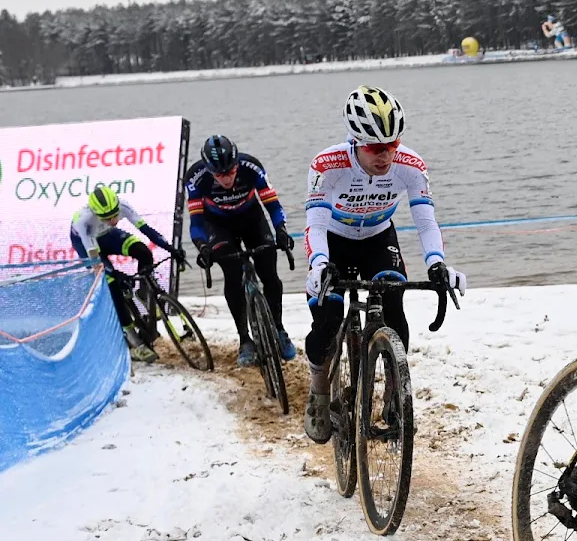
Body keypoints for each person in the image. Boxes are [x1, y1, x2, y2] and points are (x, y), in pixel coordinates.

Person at [302, 85, 467, 443]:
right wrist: (319, 264)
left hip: (378, 237)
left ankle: (395, 393)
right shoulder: (327, 166)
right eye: (377, 148)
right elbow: (314, 224)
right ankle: (318, 389)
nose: (386, 155)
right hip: (333, 240)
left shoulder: (410, 165)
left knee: (393, 302)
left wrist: (437, 262)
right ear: (355, 141)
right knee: (327, 320)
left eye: (393, 145)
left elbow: (425, 222)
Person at [185, 135, 296, 367]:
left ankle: (279, 328)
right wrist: (202, 247)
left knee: (270, 275)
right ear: (209, 171)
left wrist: (281, 230)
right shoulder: (196, 178)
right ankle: (245, 339)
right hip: (218, 225)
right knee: (232, 274)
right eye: (220, 174)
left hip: (251, 219)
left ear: (237, 163)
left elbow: (272, 204)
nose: (227, 178)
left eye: (230, 171)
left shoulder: (251, 167)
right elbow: (196, 222)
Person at [70, 186, 186, 362]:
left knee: (144, 252)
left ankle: (143, 291)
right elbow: (96, 262)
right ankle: (134, 341)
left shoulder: (122, 206)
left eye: (115, 215)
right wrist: (115, 274)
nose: (114, 220)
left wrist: (170, 248)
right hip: (87, 242)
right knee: (111, 283)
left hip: (106, 233)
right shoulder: (83, 222)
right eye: (107, 218)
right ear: (96, 213)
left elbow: (147, 230)